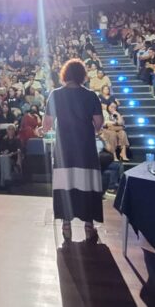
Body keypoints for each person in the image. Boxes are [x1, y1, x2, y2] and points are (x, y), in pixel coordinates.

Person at [42, 58, 105, 243]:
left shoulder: (55, 94)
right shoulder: (91, 95)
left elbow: (46, 125)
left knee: (65, 183)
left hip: (64, 148)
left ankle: (66, 226)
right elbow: (99, 123)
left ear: (65, 74)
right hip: (85, 147)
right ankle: (88, 226)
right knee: (87, 182)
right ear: (82, 75)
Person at [0, 124, 22, 190]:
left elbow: (19, 150)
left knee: (5, 160)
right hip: (4, 157)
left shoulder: (17, 139)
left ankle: (2, 183)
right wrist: (4, 152)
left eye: (12, 129)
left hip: (13, 158)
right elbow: (0, 150)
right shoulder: (3, 139)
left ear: (14, 130)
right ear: (7, 131)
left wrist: (13, 154)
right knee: (4, 158)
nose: (11, 131)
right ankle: (7, 180)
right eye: (9, 129)